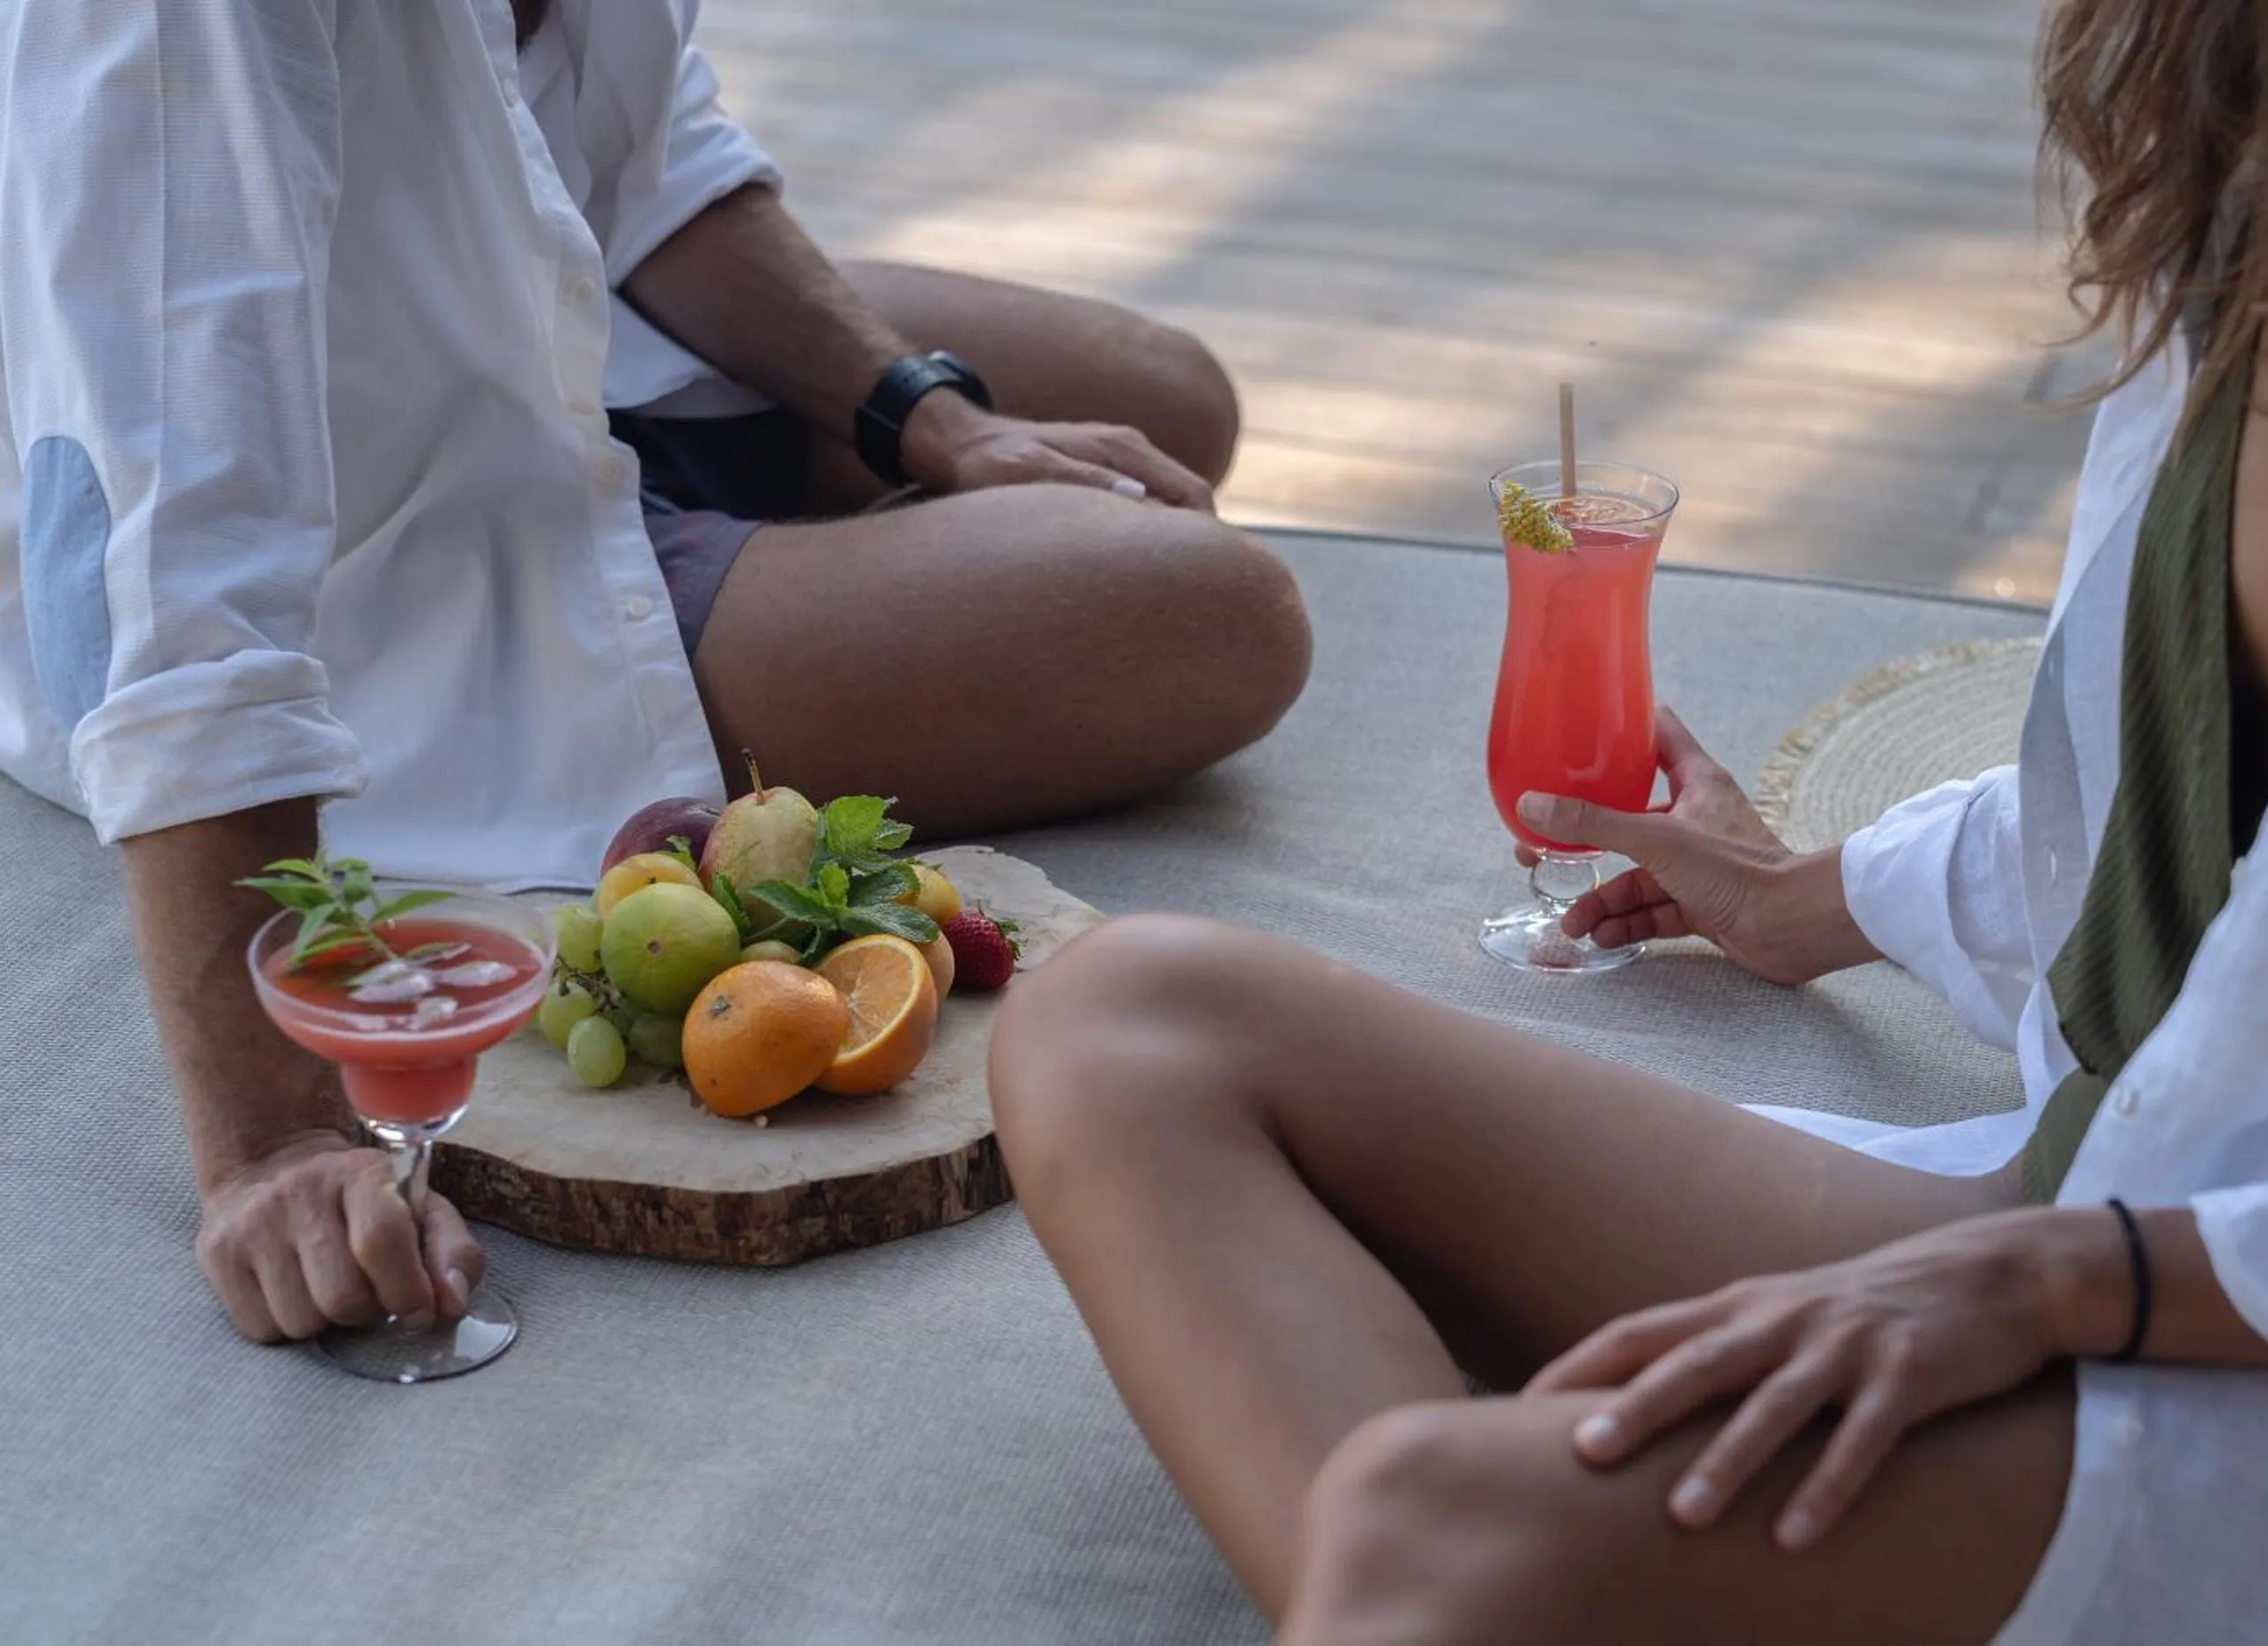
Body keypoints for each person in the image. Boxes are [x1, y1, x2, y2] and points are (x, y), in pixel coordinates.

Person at [990, 2, 2268, 1640]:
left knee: (1429, 1527)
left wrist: (2072, 1282)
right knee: (1120, 1017)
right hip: (2072, 1199)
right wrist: (1806, 893)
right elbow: (2243, 823)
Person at [0, 1, 1308, 1345]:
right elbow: (162, 544)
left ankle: (835, 523)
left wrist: (932, 420)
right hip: (381, 573)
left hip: (551, 339)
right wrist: (271, 1141)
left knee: (1168, 395)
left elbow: (644, 150)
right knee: (1219, 616)